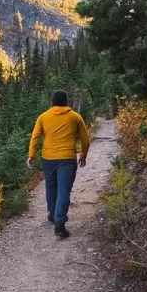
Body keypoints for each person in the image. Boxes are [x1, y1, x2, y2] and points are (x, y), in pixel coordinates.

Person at [26, 90, 90, 238]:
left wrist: (31, 155)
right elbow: (85, 139)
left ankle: (52, 213)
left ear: (52, 102)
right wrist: (83, 156)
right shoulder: (75, 117)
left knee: (50, 184)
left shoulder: (43, 117)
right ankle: (59, 223)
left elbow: (35, 137)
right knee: (64, 189)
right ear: (66, 102)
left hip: (48, 158)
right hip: (67, 158)